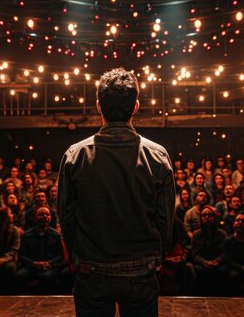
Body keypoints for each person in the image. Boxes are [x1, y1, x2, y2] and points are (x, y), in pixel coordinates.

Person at [58, 68, 175, 316]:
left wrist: (77, 257)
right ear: (136, 106)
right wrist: (158, 257)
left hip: (92, 269)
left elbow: (66, 218)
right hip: (141, 270)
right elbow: (165, 220)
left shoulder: (75, 155)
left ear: (99, 106)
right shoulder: (158, 156)